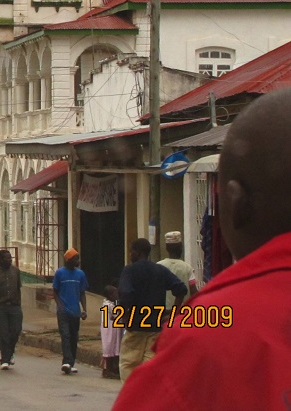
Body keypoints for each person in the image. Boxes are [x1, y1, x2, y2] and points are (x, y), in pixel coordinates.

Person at [114, 90, 291, 409]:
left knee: (130, 361)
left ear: (235, 204)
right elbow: (184, 286)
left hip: (141, 322)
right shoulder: (169, 272)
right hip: (156, 320)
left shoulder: (207, 339)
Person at [117, 237, 187, 381]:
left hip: (135, 327)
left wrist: (125, 316)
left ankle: (132, 398)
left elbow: (125, 293)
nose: (130, 255)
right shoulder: (160, 270)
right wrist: (173, 314)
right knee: (149, 364)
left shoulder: (129, 271)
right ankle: (145, 396)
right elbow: (181, 289)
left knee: (128, 363)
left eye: (131, 252)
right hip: (156, 327)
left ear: (136, 252)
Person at [52, 248, 88, 375]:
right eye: (75, 258)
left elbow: (82, 293)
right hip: (63, 311)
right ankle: (66, 361)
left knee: (74, 336)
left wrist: (84, 309)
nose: (78, 260)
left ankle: (71, 362)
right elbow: (55, 292)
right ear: (68, 260)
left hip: (75, 311)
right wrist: (60, 305)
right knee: (65, 335)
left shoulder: (80, 274)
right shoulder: (60, 273)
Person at [0, 249, 22, 371]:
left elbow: (18, 288)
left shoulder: (16, 271)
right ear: (0, 260)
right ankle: (5, 359)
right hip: (0, 306)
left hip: (14, 306)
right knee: (3, 333)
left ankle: (10, 353)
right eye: (6, 258)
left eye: (10, 258)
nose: (9, 260)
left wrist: (18, 304)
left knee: (16, 330)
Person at [157, 231, 198, 310]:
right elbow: (194, 292)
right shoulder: (187, 267)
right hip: (182, 312)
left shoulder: (158, 266)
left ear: (166, 248)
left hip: (161, 311)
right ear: (181, 248)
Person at [99, 284, 122, 379]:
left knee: (114, 348)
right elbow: (117, 315)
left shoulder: (110, 304)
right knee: (109, 348)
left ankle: (113, 368)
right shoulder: (108, 305)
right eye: (115, 293)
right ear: (110, 295)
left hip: (113, 329)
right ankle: (108, 370)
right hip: (109, 330)